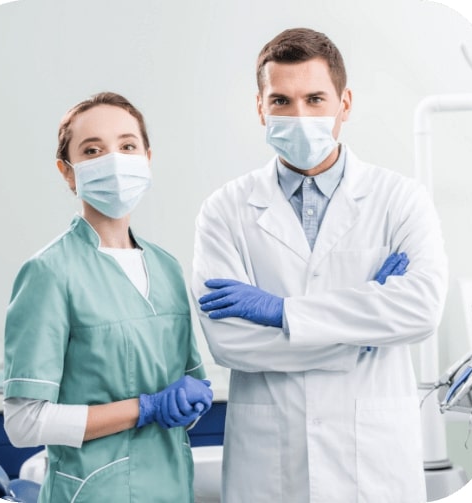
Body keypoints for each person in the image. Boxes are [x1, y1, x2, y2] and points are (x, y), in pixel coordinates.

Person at [192, 28, 448, 502]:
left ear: (344, 103)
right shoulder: (224, 209)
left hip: (373, 463)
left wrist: (284, 313)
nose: (300, 115)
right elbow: (229, 341)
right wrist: (363, 336)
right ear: (260, 108)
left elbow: (421, 309)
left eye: (315, 99)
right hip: (270, 464)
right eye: (282, 101)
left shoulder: (400, 200)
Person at [3, 92, 212, 503]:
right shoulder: (50, 271)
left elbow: (187, 388)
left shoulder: (167, 268)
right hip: (94, 492)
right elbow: (23, 423)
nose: (114, 160)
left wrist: (191, 402)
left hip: (171, 488)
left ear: (147, 158)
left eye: (127, 145)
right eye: (93, 150)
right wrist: (144, 407)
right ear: (68, 172)